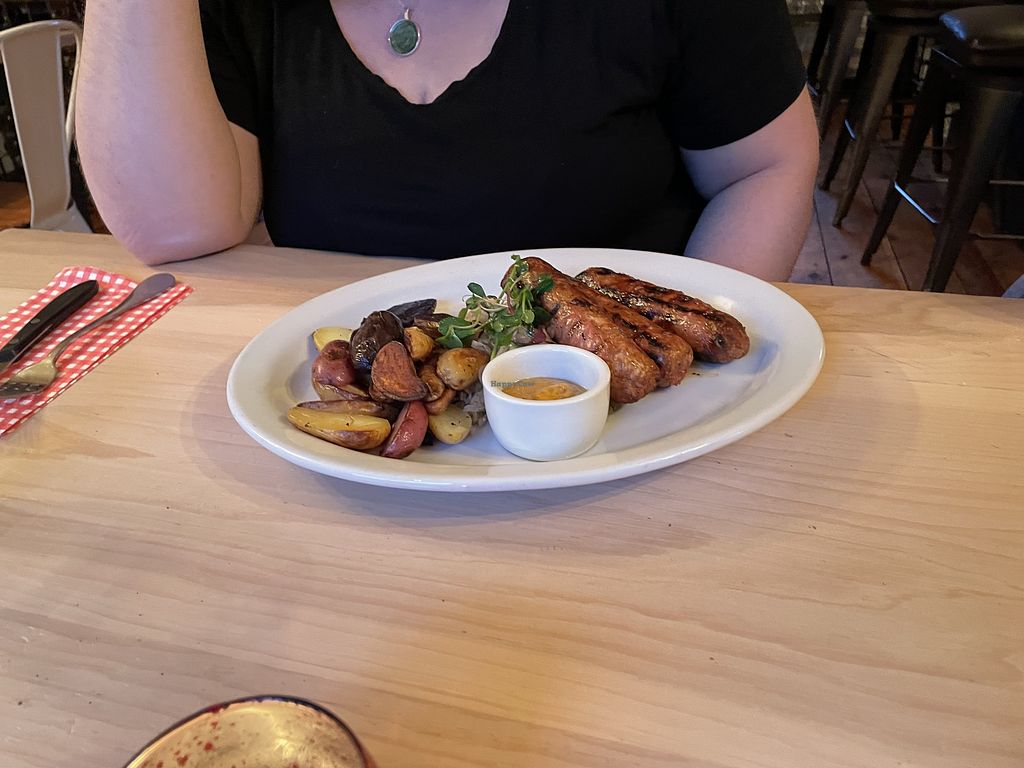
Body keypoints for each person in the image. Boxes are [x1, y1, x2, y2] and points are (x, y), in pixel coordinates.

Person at [76, 0, 818, 281]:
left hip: (625, 418)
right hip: (361, 431)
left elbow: (765, 166)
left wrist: (686, 356)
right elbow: (175, 229)